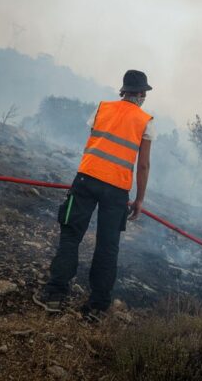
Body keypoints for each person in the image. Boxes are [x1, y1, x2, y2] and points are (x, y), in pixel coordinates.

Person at [35, 69, 154, 320]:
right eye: (144, 93)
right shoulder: (146, 121)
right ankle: (98, 307)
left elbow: (92, 141)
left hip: (87, 179)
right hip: (117, 190)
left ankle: (55, 295)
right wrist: (140, 200)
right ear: (142, 93)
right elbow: (143, 165)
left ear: (123, 90)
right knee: (107, 247)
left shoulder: (102, 108)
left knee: (71, 235)